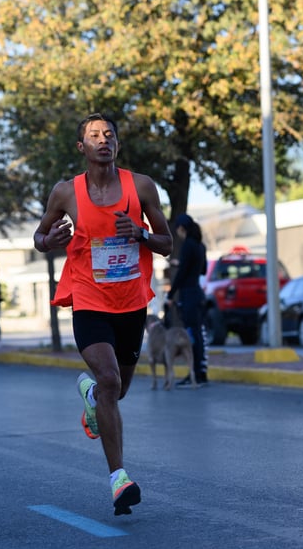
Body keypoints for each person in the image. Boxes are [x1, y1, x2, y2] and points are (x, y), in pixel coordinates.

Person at [33, 113, 172, 516]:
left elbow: (166, 244)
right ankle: (119, 480)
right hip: (89, 298)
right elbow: (39, 236)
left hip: (131, 303)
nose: (102, 140)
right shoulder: (66, 193)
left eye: (109, 134)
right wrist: (50, 240)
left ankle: (92, 396)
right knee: (110, 378)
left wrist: (142, 233)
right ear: (82, 147)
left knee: (117, 390)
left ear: (117, 144)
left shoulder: (141, 186)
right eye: (93, 135)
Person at [167, 213, 209, 386]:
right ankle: (201, 372)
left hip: (188, 295)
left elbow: (182, 274)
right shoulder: (200, 246)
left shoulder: (187, 246)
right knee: (198, 334)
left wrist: (170, 295)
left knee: (191, 335)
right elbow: (203, 270)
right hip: (198, 293)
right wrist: (182, 264)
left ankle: (195, 374)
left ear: (181, 228)